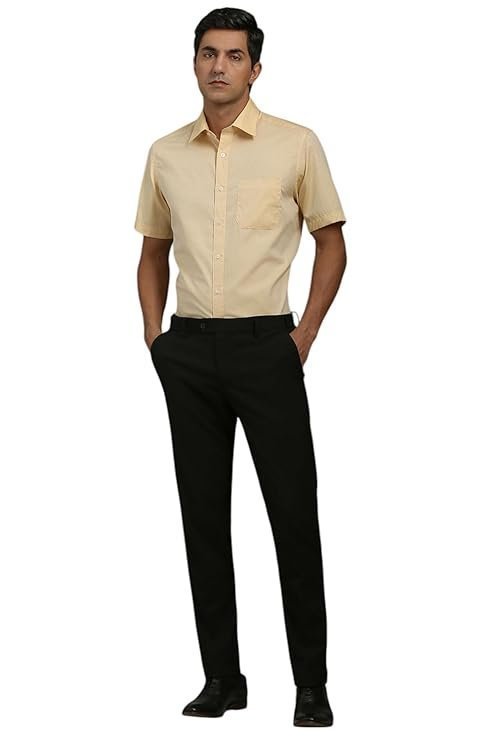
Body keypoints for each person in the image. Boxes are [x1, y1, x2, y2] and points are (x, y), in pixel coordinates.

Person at [134, 7, 347, 728]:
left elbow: (332, 242)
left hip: (268, 349)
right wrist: (155, 338)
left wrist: (303, 337)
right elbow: (152, 253)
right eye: (208, 53)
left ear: (256, 68)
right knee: (202, 519)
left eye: (232, 55)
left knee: (293, 515)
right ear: (194, 62)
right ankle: (222, 677)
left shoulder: (295, 143)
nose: (218, 66)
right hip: (189, 352)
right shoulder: (166, 153)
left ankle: (311, 684)